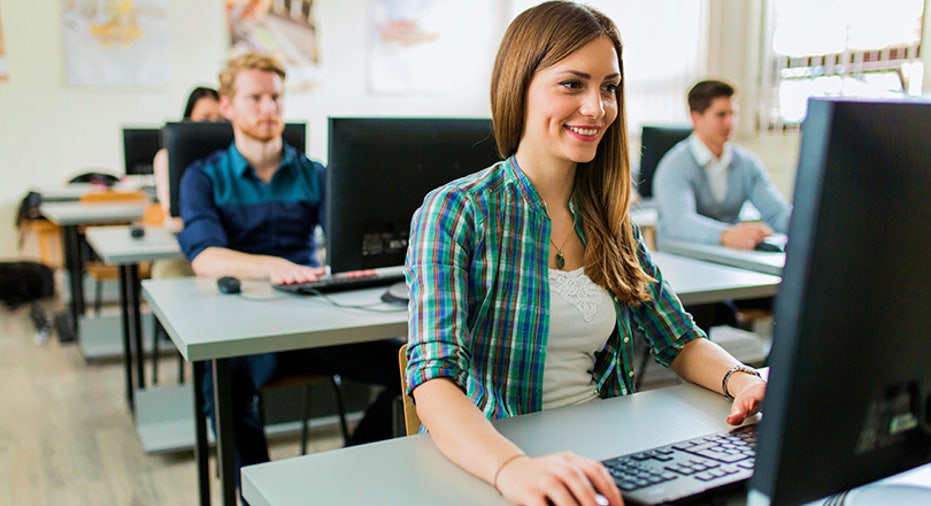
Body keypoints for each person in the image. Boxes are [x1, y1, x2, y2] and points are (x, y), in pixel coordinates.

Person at [404, 3, 767, 506]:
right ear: (521, 86)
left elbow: (678, 340)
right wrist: (514, 470)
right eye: (572, 84)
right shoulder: (457, 211)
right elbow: (434, 380)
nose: (597, 108)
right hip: (497, 462)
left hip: (605, 457)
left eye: (609, 87)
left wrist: (743, 380)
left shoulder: (608, 215)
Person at [176, 52, 401, 491]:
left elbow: (348, 243)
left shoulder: (313, 173)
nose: (268, 108)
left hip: (314, 315)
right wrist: (276, 267)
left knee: (414, 371)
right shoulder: (203, 177)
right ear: (227, 106)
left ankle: (345, 475)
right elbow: (205, 258)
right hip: (243, 322)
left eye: (275, 97)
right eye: (255, 97)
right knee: (222, 393)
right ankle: (257, 495)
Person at [653, 79, 791, 249]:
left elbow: (776, 212)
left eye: (733, 114)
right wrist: (727, 234)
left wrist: (805, 228)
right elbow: (679, 222)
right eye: (721, 115)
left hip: (727, 256)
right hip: (683, 256)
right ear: (696, 118)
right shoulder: (675, 165)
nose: (730, 122)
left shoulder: (747, 163)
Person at [152, 86, 224, 219]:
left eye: (220, 119)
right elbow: (170, 208)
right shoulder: (166, 158)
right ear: (188, 118)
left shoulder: (231, 159)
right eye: (205, 118)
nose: (213, 125)